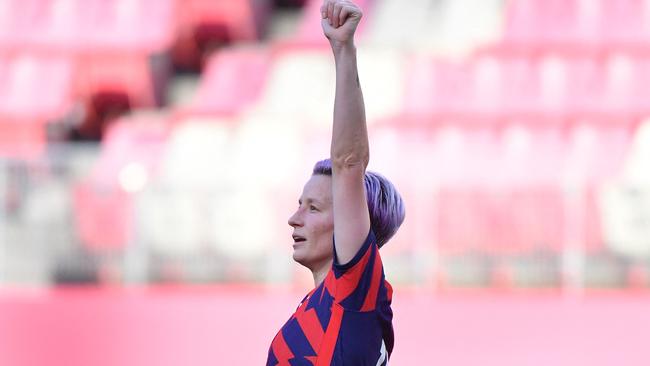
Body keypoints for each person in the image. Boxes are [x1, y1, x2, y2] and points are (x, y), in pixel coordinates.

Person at [266, 1, 405, 365]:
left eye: (313, 208)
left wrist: (343, 50)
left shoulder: (353, 291)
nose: (295, 219)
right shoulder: (316, 307)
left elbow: (348, 163)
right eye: (300, 205)